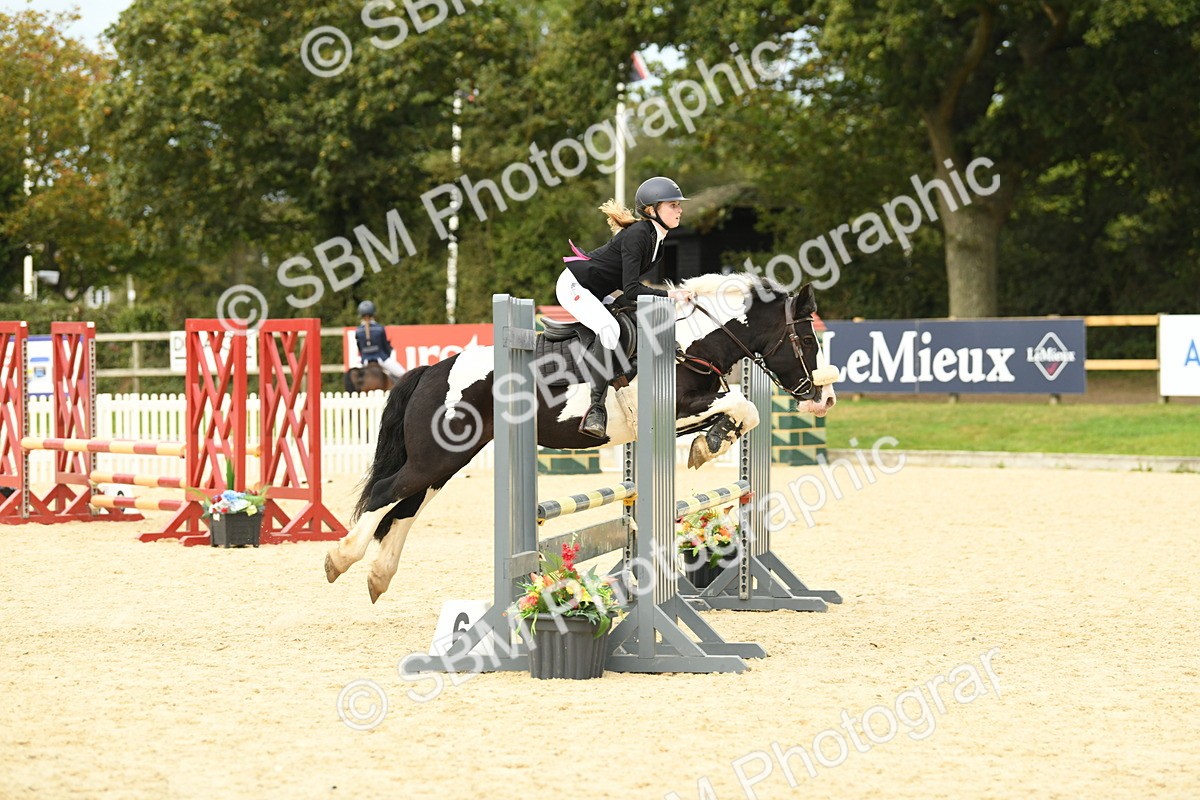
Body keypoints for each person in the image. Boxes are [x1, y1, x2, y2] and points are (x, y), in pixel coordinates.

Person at [556, 176, 696, 439]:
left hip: (599, 290)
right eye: (673, 205)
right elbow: (631, 290)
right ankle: (595, 408)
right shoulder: (639, 235)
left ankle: (624, 378)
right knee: (609, 328)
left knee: (634, 319)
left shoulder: (657, 242)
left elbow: (626, 289)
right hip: (575, 286)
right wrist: (670, 295)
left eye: (678, 205)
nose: (679, 209)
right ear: (652, 210)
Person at [354, 300, 404, 380]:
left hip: (365, 361)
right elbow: (385, 347)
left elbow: (360, 349)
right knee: (403, 374)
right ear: (373, 314)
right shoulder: (380, 329)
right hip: (381, 358)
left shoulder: (358, 331)